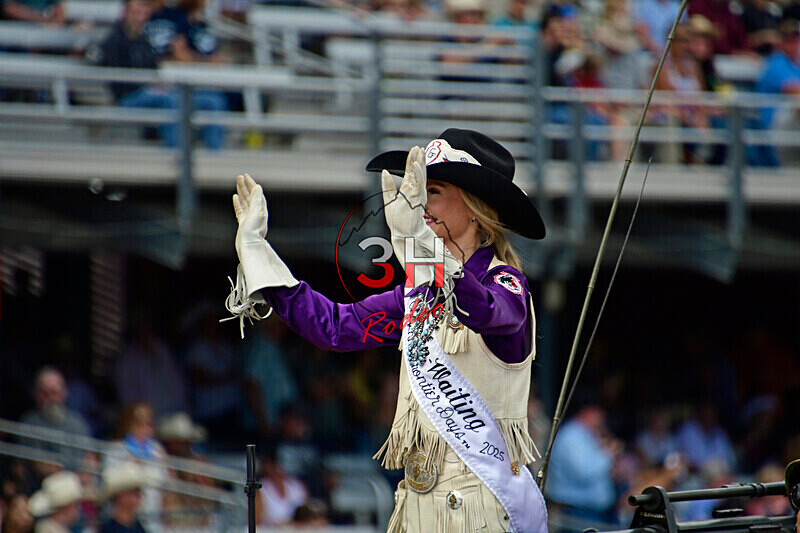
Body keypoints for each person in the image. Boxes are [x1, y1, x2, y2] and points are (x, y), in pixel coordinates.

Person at [225, 128, 548, 532]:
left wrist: (423, 247)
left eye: (433, 191)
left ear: (475, 207)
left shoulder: (506, 282)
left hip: (480, 504)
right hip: (416, 502)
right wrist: (257, 253)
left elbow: (486, 312)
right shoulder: (416, 294)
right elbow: (334, 327)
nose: (419, 204)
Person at [144, 0, 226, 149]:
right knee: (172, 101)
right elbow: (179, 55)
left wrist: (197, 60)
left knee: (214, 101)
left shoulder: (201, 25)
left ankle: (215, 156)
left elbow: (214, 60)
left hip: (198, 86)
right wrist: (202, 61)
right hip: (164, 86)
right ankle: (175, 154)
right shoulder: (169, 17)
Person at [546, 402, 621, 530]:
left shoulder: (587, 434)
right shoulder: (571, 435)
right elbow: (584, 473)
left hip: (592, 512)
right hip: (578, 513)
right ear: (587, 411)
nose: (602, 417)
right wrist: (609, 454)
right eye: (599, 412)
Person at [749, 18, 800, 166]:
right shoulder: (776, 63)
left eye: (796, 39)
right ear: (781, 41)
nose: (794, 44)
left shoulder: (796, 65)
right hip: (775, 131)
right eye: (788, 40)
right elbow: (794, 92)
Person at [21, 367, 91, 472]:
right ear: (37, 395)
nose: (50, 399)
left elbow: (89, 457)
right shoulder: (29, 423)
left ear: (63, 393)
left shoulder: (77, 423)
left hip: (75, 483)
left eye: (54, 393)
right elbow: (37, 464)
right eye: (45, 394)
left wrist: (85, 474)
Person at [98, 462, 148, 533]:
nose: (139, 496)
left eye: (138, 493)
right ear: (120, 496)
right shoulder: (108, 529)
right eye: (133, 492)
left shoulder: (139, 528)